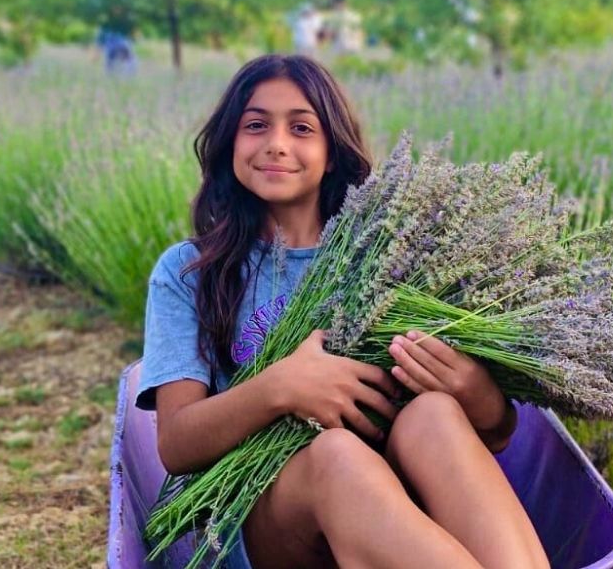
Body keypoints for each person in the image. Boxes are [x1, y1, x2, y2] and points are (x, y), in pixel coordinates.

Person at [138, 54, 549, 569]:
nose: (277, 143)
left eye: (302, 127)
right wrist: (282, 386)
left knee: (434, 414)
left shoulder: (395, 259)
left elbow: (498, 434)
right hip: (259, 523)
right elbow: (175, 444)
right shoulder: (190, 271)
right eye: (256, 124)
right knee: (337, 455)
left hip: (399, 520)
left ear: (331, 153)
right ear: (230, 143)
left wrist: (478, 395)